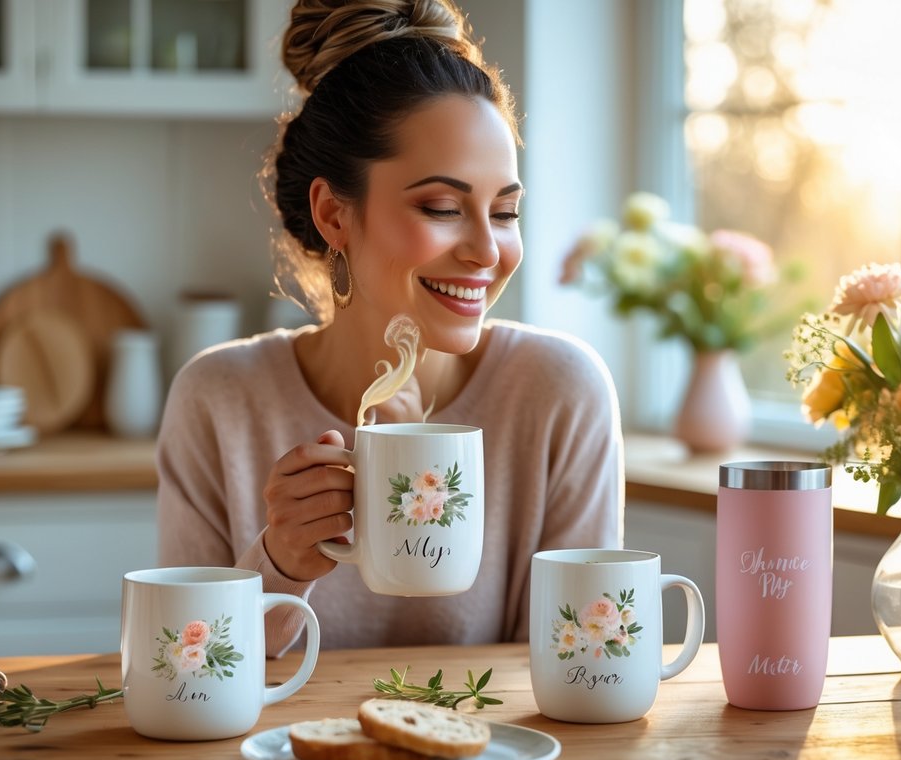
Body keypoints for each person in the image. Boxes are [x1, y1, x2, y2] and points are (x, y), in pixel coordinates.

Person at [156, 0, 624, 656]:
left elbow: (582, 663)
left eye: (505, 212)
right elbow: (184, 667)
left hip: (494, 756)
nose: (488, 252)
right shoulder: (219, 399)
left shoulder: (557, 392)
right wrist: (282, 561)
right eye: (440, 207)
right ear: (334, 214)